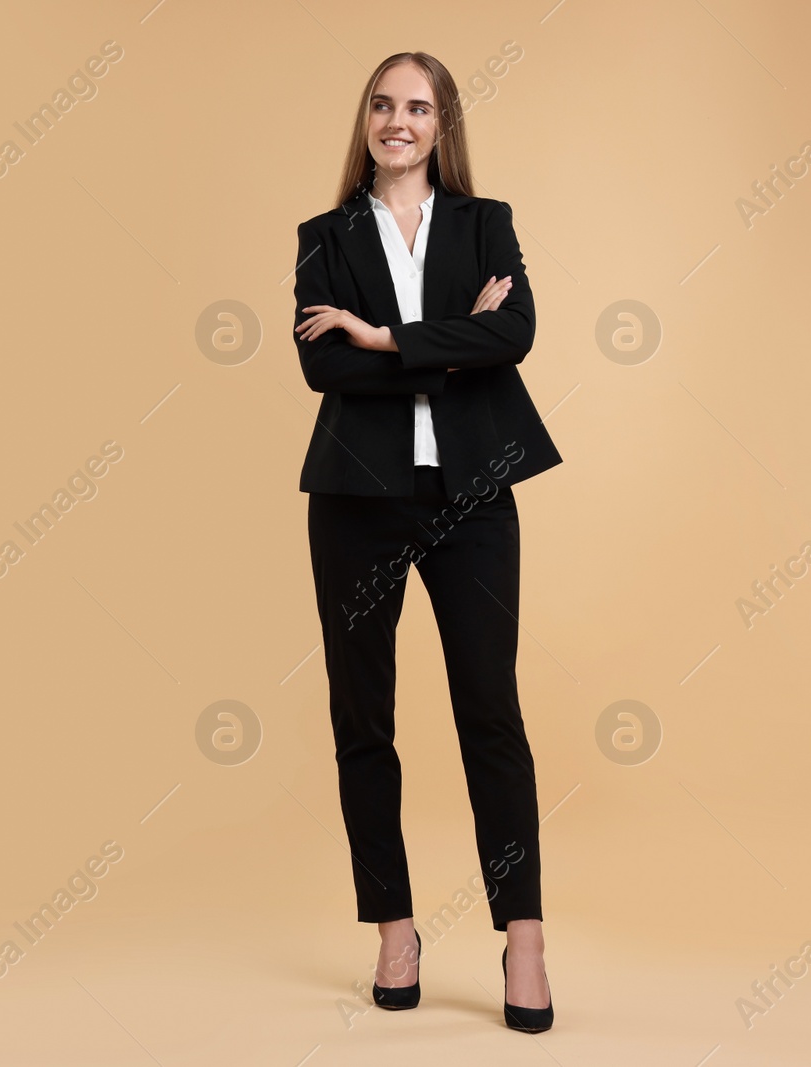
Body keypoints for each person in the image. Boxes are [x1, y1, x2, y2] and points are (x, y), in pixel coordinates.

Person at [291, 51, 562, 1033]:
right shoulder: (324, 237)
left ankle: (521, 935)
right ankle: (393, 925)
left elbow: (516, 334)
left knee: (490, 711)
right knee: (364, 717)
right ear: (364, 118)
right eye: (381, 103)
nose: (396, 121)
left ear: (441, 124)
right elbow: (319, 368)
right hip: (355, 500)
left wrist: (381, 338)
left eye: (416, 106)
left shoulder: (484, 223)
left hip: (474, 495)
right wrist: (452, 337)